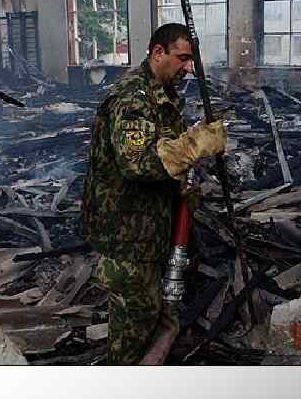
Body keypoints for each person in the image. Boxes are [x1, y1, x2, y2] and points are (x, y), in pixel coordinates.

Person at [82, 23, 226, 364]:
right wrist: (194, 145)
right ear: (158, 53)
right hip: (126, 234)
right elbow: (138, 163)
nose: (188, 67)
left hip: (150, 229)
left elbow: (164, 150)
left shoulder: (162, 93)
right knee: (136, 323)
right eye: (182, 58)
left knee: (152, 313)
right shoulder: (133, 99)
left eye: (191, 60)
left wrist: (182, 182)